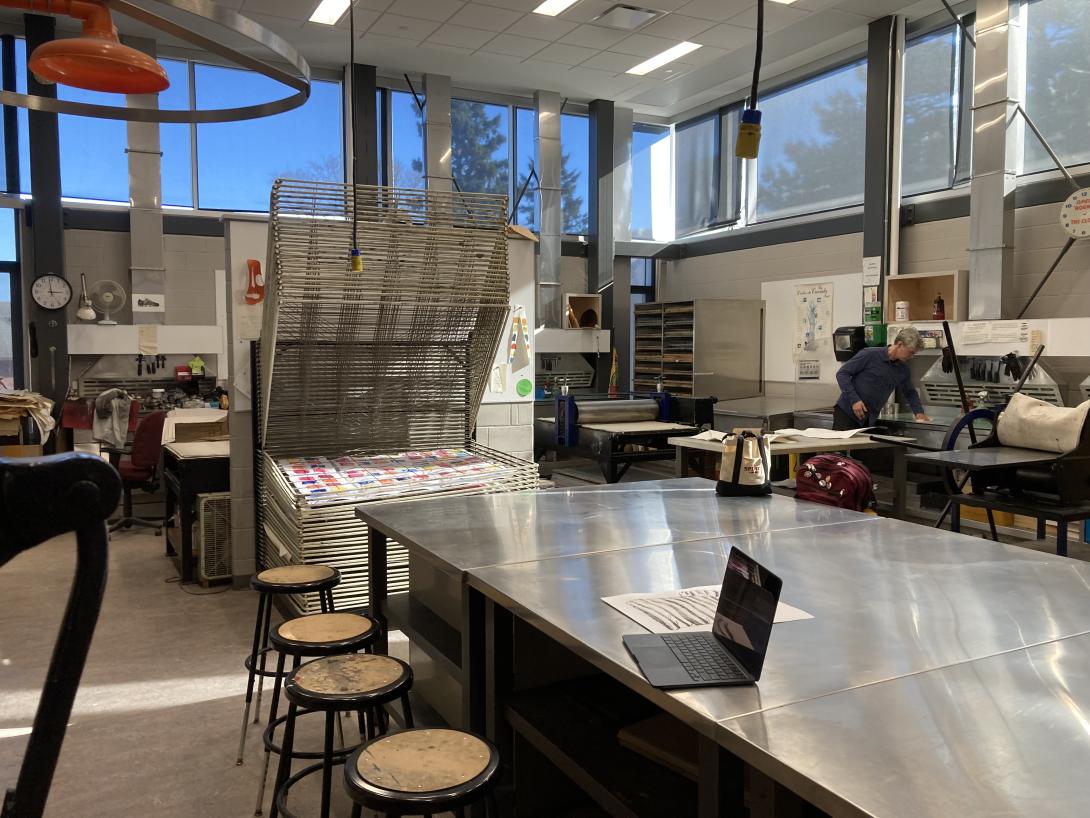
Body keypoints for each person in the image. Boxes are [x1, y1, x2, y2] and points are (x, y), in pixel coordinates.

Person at [834, 327, 931, 430]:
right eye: (911, 352)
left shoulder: (903, 369)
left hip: (868, 418)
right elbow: (842, 373)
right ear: (899, 344)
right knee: (839, 445)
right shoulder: (870, 354)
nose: (911, 356)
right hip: (847, 413)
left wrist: (919, 412)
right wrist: (854, 400)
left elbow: (910, 392)